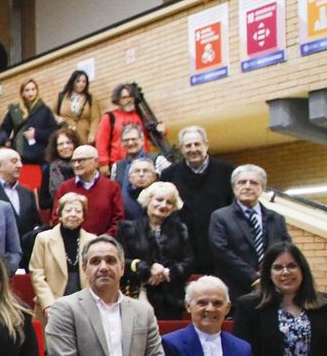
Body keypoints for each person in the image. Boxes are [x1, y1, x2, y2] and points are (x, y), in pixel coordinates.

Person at [209, 164, 292, 299]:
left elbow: (286, 250)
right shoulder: (220, 217)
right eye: (242, 182)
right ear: (234, 187)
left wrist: (269, 277)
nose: (247, 186)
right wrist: (254, 278)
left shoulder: (277, 218)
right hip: (235, 291)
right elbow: (222, 252)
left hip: (273, 289)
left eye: (253, 182)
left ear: (262, 188)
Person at [161, 125, 235, 271]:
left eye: (197, 144)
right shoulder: (168, 175)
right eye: (188, 145)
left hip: (220, 249)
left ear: (206, 144)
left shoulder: (227, 172)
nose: (193, 149)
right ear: (182, 148)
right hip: (183, 252)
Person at [118, 180, 193, 320]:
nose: (163, 205)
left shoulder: (180, 229)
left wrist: (165, 272)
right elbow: (120, 261)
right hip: (136, 294)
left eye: (169, 202)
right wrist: (147, 269)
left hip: (171, 298)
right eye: (159, 200)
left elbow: (189, 261)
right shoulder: (127, 228)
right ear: (148, 200)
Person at [28, 193, 95, 324]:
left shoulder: (92, 241)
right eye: (68, 210)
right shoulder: (44, 239)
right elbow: (36, 273)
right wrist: (48, 304)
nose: (73, 214)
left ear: (83, 216)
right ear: (60, 214)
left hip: (84, 306)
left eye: (78, 211)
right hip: (50, 304)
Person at [0, 147, 41, 268]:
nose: (20, 165)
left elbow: (36, 222)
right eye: (14, 161)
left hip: (26, 258)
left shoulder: (27, 193)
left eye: (20, 161)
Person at [56, 144, 123, 237]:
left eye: (81, 161)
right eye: (73, 161)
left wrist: (104, 239)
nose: (76, 165)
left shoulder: (112, 187)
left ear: (96, 161)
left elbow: (118, 219)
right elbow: (57, 218)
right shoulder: (64, 188)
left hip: (104, 245)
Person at [94, 83, 163, 170]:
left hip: (144, 163)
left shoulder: (140, 116)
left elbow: (152, 135)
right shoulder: (109, 117)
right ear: (117, 100)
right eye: (124, 97)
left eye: (131, 97)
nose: (128, 100)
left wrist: (161, 129)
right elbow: (101, 143)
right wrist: (103, 163)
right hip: (120, 165)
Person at [0, 78, 57, 164]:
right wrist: (5, 140)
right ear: (22, 93)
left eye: (33, 89)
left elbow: (54, 132)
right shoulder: (15, 110)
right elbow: (4, 128)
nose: (30, 92)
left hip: (41, 156)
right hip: (19, 155)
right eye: (27, 90)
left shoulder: (45, 110)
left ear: (37, 91)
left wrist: (37, 133)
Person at [55, 70, 97, 144]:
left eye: (84, 82)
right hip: (67, 136)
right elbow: (51, 112)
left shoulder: (90, 98)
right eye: (78, 81)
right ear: (73, 81)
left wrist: (92, 133)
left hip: (85, 137)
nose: (81, 84)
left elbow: (95, 118)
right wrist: (58, 119)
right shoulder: (61, 96)